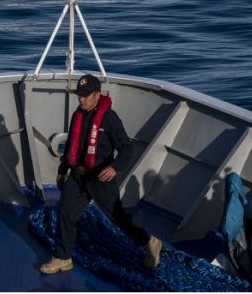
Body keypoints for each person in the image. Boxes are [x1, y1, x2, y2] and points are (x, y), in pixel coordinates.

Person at [39, 74, 162, 274]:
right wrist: (63, 171)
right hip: (78, 176)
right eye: (80, 95)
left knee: (118, 218)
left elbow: (126, 149)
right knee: (65, 212)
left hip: (101, 178)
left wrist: (114, 167)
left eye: (86, 95)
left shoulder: (110, 118)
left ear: (97, 95)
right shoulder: (77, 114)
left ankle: (150, 242)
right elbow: (72, 145)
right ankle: (63, 257)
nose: (81, 99)